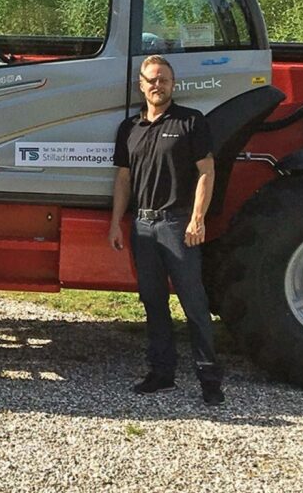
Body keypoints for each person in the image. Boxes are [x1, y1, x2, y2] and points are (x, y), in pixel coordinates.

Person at [109, 55, 225, 406]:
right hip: (142, 226)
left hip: (177, 225)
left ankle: (209, 379)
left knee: (194, 303)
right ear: (141, 85)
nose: (158, 85)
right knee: (153, 302)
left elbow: (207, 171)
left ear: (173, 85)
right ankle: (162, 374)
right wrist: (116, 221)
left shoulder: (191, 122)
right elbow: (123, 179)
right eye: (152, 80)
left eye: (165, 80)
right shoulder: (129, 129)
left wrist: (197, 218)